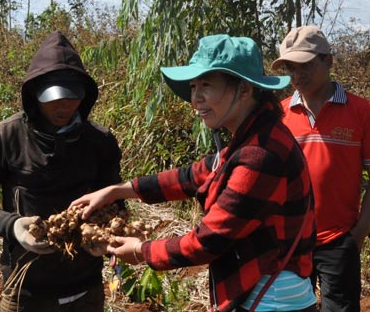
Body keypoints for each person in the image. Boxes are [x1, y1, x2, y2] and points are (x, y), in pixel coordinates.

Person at [71, 34, 317, 312]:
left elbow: (209, 240)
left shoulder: (260, 154)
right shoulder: (251, 139)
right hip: (258, 291)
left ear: (245, 89)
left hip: (269, 300)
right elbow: (191, 176)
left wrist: (142, 251)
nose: (195, 100)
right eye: (193, 86)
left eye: (207, 86)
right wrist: (116, 190)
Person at [0, 30, 123, 312]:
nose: (64, 106)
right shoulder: (5, 138)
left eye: (73, 98)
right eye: (54, 98)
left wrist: (106, 234)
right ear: (34, 96)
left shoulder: (100, 142)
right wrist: (12, 226)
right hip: (25, 288)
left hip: (85, 286)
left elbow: (116, 200)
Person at [271, 25, 370, 312]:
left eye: (305, 65)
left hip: (338, 240)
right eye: (290, 68)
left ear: (328, 61)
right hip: (289, 243)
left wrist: (358, 234)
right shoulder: (279, 114)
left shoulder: (363, 112)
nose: (297, 76)